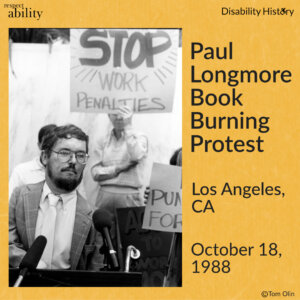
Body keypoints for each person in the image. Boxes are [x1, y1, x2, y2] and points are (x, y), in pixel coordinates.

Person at [9, 124, 103, 270]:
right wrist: (28, 262)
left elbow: (96, 270)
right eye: (65, 153)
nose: (73, 161)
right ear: (45, 157)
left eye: (80, 155)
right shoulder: (19, 197)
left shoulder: (93, 216)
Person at [91, 106, 148, 214]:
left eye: (123, 113)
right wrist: (118, 168)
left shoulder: (139, 137)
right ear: (108, 115)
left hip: (130, 195)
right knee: (102, 229)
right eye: (114, 114)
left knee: (129, 230)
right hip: (104, 195)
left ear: (130, 115)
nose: (119, 117)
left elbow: (136, 155)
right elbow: (95, 173)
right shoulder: (102, 139)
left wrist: (128, 127)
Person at [9, 124, 57, 198]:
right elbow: (9, 201)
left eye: (55, 144)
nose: (50, 148)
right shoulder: (21, 171)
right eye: (46, 145)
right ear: (39, 145)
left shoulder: (66, 171)